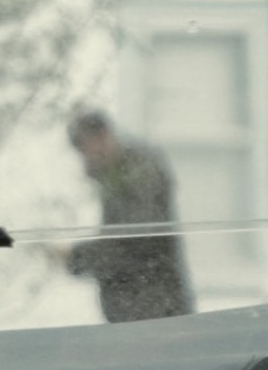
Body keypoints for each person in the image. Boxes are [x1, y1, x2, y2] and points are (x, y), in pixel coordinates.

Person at [64, 109, 195, 322]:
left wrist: (74, 258)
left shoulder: (141, 171)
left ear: (104, 136)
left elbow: (134, 243)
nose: (88, 158)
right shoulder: (114, 175)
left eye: (87, 147)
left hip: (155, 310)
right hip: (137, 311)